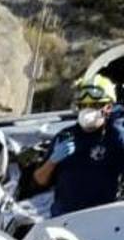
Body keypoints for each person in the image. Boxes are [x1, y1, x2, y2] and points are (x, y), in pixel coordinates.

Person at [32, 75, 124, 216]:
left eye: (94, 105)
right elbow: (39, 180)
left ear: (108, 108)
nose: (87, 110)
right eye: (83, 105)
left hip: (99, 221)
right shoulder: (65, 136)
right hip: (62, 221)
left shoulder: (116, 138)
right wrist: (52, 161)